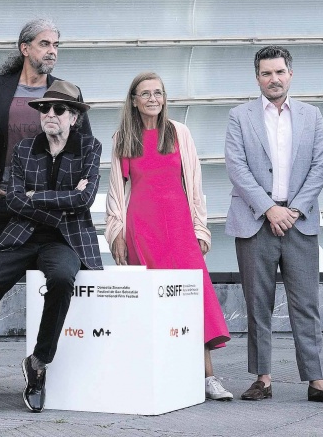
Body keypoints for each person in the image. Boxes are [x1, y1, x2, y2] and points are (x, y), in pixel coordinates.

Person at [0, 81, 103, 414]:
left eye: (59, 109)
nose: (50, 114)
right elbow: (14, 200)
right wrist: (63, 200)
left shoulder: (90, 147)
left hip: (64, 240)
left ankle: (38, 363)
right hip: (21, 236)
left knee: (62, 279)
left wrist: (36, 197)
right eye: (44, 108)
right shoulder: (24, 149)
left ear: (74, 117)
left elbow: (85, 199)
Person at [0, 18, 93, 394]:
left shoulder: (65, 92)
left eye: (56, 44)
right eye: (45, 43)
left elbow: (84, 147)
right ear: (25, 48)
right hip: (2, 207)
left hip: (51, 215)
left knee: (60, 279)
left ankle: (40, 363)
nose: (52, 50)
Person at [224, 46, 323, 405]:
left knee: (306, 304)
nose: (274, 79)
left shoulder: (312, 115)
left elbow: (319, 167)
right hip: (255, 221)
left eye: (279, 72)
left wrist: (292, 210)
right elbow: (237, 168)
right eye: (266, 73)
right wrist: (269, 209)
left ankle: (317, 382)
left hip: (299, 222)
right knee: (258, 303)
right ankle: (262, 379)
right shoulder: (239, 116)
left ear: (290, 74)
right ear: (257, 78)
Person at [105, 72, 233, 401]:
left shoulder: (179, 133)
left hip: (179, 229)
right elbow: (116, 191)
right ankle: (161, 375)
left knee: (195, 298)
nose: (153, 99)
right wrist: (116, 232)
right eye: (145, 93)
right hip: (142, 229)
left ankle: (208, 378)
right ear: (134, 100)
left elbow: (195, 184)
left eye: (158, 93)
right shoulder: (123, 138)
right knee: (152, 305)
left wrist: (200, 228)